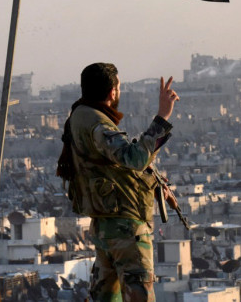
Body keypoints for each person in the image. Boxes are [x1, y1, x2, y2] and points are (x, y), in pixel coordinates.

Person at [56, 62, 179, 302]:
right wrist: (163, 116)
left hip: (105, 226)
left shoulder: (80, 116)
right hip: (126, 228)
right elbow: (134, 158)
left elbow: (109, 168)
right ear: (113, 92)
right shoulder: (97, 123)